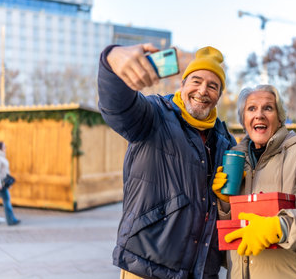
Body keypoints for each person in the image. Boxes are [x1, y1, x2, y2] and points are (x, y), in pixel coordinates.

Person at [97, 43, 236, 278]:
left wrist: (225, 202)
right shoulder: (154, 115)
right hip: (148, 265)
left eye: (213, 86)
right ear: (182, 85)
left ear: (219, 96)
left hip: (202, 271)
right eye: (196, 81)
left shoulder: (226, 141)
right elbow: (116, 107)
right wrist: (111, 62)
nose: (203, 90)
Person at [212, 85, 296, 278]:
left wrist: (279, 227)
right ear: (243, 120)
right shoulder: (237, 160)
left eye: (268, 108)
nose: (259, 115)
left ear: (280, 117)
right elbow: (231, 239)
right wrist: (225, 204)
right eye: (251, 109)